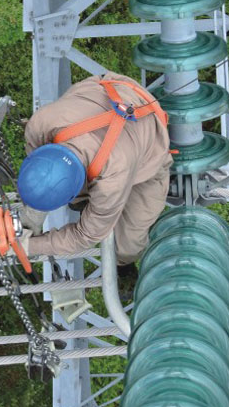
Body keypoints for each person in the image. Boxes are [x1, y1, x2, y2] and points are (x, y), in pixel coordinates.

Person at [17, 71, 172, 274]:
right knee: (89, 203)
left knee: (129, 243)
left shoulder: (112, 181)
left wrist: (29, 247)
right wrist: (34, 211)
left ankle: (123, 264)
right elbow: (41, 173)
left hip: (148, 145)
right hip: (113, 88)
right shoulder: (39, 125)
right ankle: (84, 202)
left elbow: (85, 236)